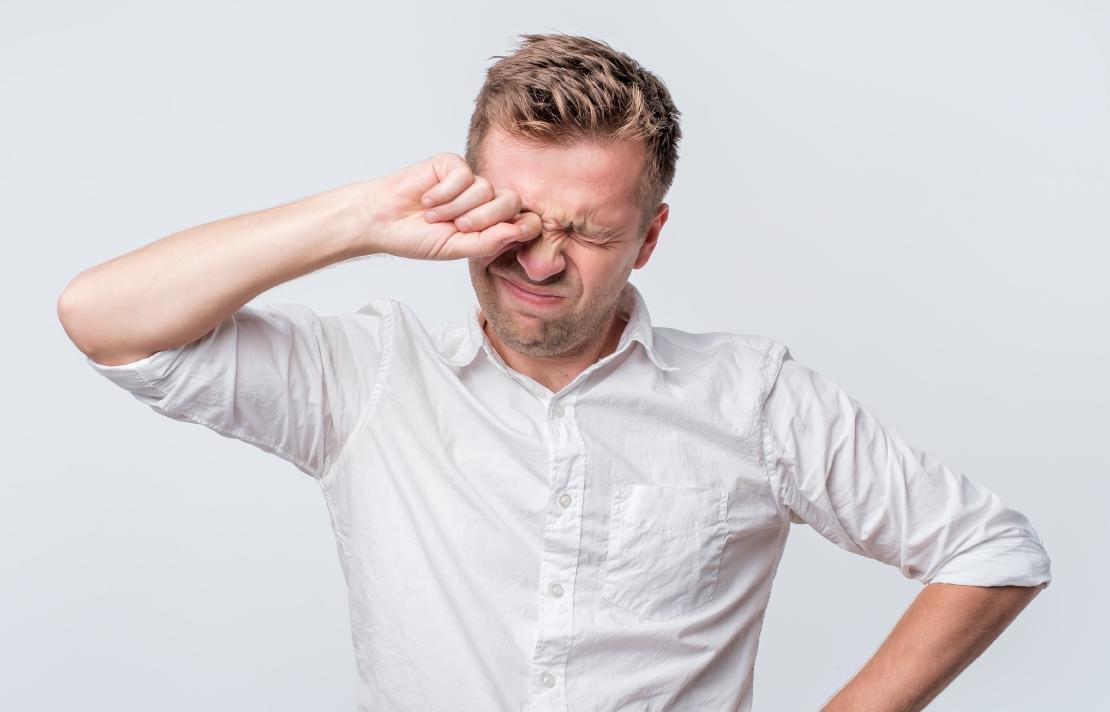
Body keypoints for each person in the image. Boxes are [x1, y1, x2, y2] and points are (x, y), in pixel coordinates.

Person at [58, 32, 1051, 712]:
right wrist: (360, 219)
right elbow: (104, 320)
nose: (538, 260)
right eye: (516, 219)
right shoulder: (363, 377)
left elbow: (991, 547)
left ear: (649, 239)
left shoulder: (755, 397)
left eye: (584, 231)